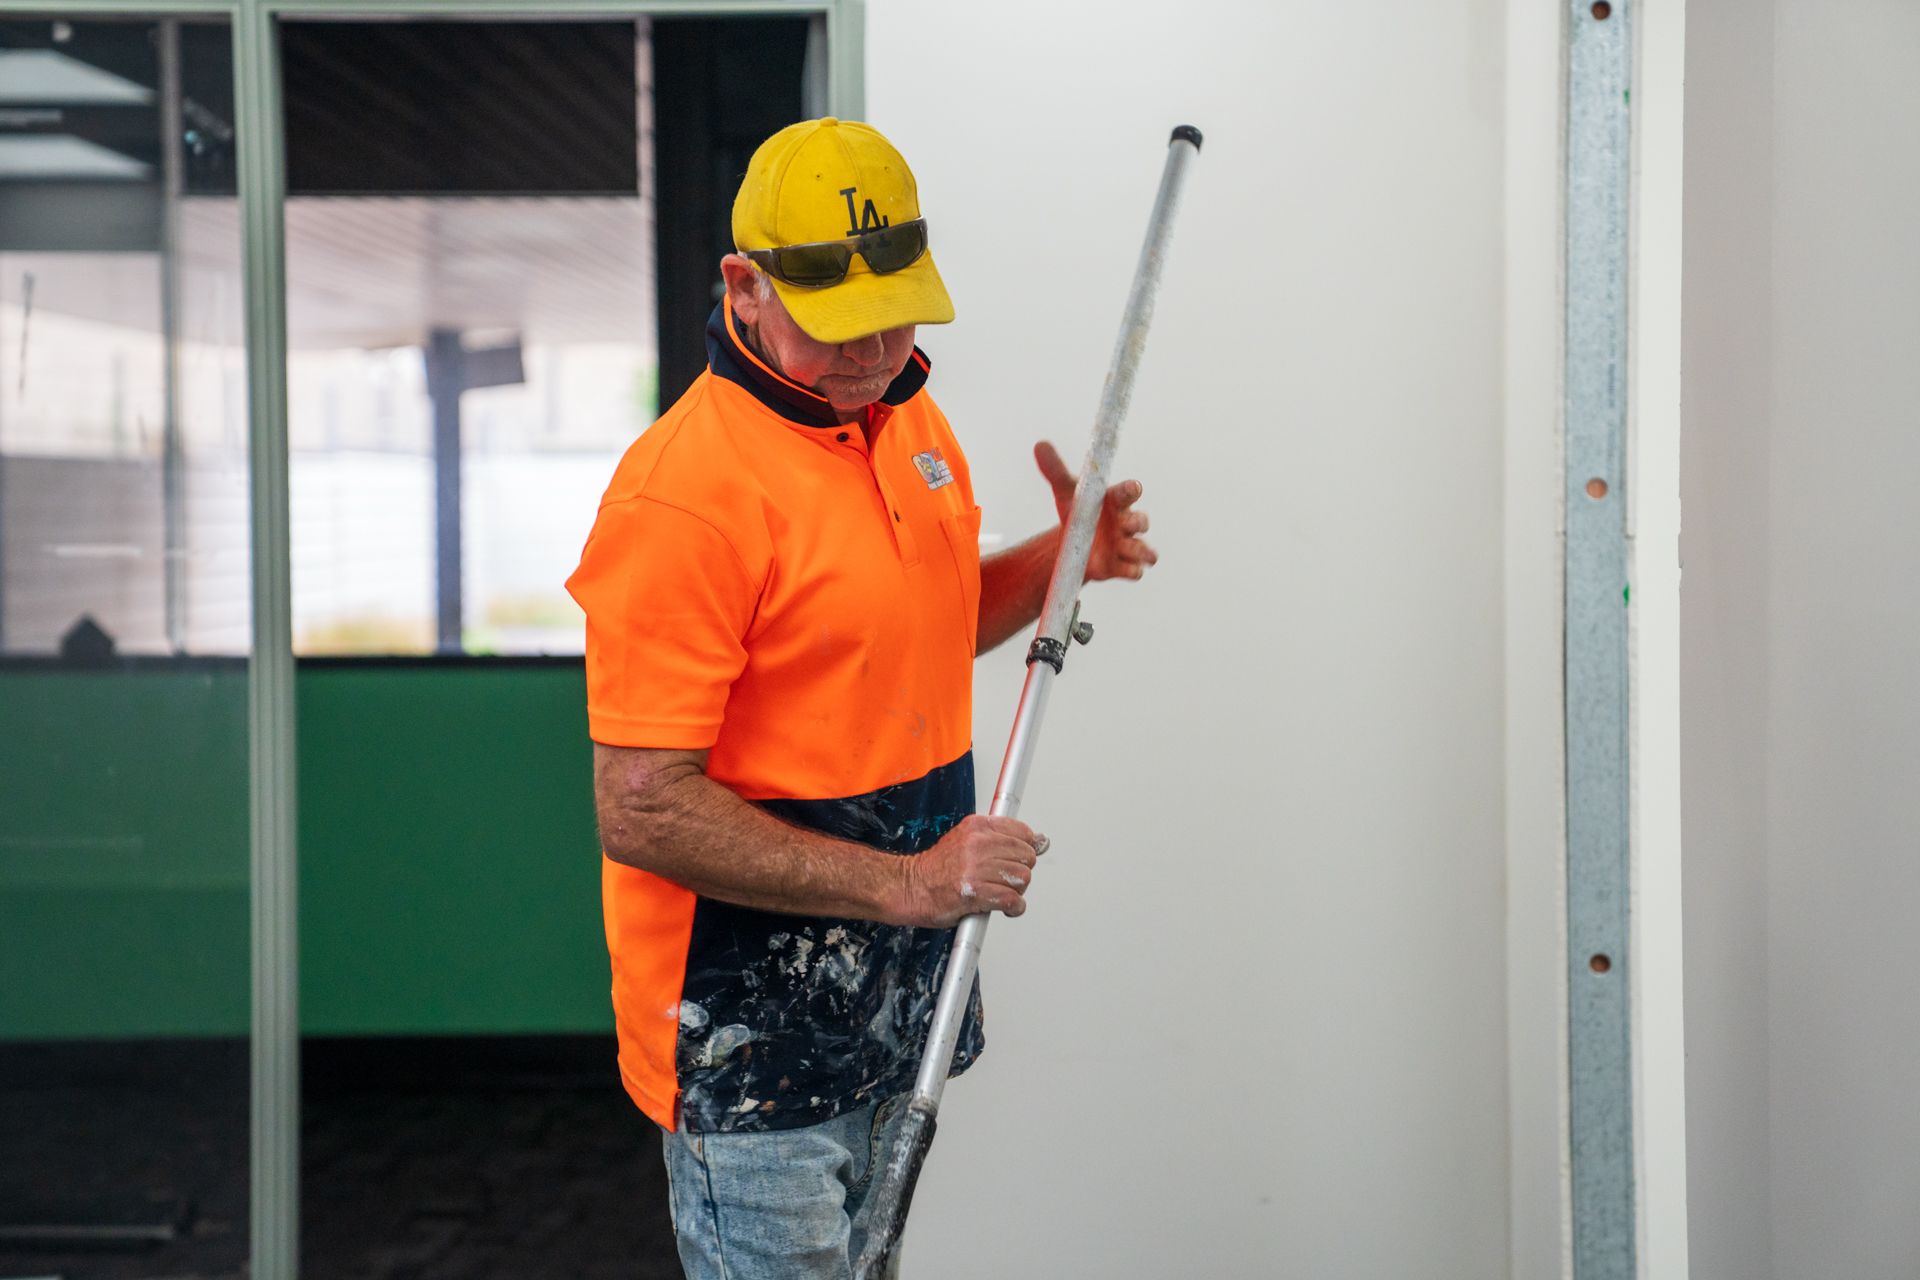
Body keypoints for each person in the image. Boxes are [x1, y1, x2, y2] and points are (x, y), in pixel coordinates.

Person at [565, 117, 1156, 1279]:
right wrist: (912, 881)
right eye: (841, 325)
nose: (877, 349)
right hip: (747, 1039)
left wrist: (1057, 561)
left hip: (892, 1000)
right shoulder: (686, 495)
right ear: (745, 282)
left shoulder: (902, 420)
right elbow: (640, 805)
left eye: (899, 312)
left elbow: (911, 630)